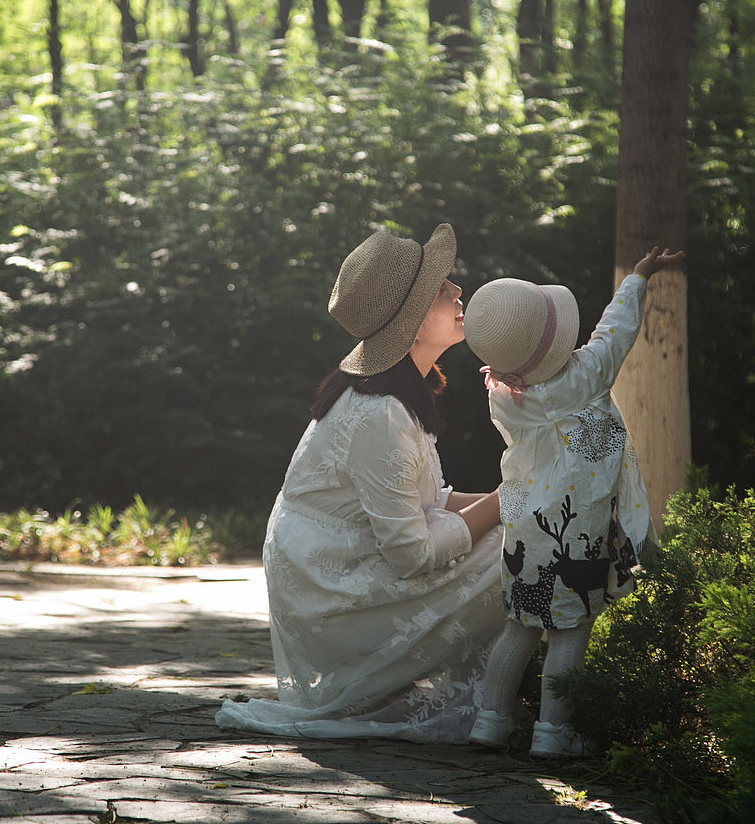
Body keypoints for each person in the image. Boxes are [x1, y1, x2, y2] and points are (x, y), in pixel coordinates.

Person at [215, 223, 506, 743]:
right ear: (413, 322)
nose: (459, 291)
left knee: (523, 525)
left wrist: (517, 496)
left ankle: (505, 694)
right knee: (514, 545)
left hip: (344, 565)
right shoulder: (380, 412)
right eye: (443, 289)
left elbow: (425, 502)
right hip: (331, 592)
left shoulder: (396, 395)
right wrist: (509, 502)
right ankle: (508, 703)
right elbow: (412, 552)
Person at [460, 245, 685, 757]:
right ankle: (552, 733)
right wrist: (639, 276)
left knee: (519, 625)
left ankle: (489, 723)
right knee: (570, 629)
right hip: (576, 530)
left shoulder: (501, 392)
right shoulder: (586, 375)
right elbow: (615, 332)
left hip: (525, 527)